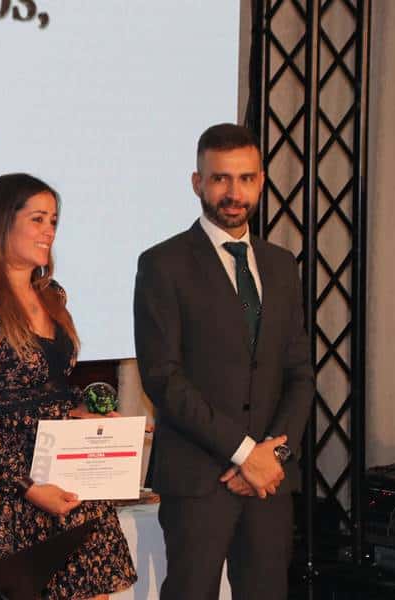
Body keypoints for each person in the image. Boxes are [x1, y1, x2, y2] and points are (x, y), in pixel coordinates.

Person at [0, 173, 137, 600]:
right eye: (38, 219)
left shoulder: (52, 295)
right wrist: (28, 487)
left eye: (54, 221)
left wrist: (85, 410)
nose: (49, 231)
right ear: (0, 223)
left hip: (68, 486)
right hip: (6, 499)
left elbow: (48, 388)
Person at [133, 123, 314, 600]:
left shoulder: (281, 264)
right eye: (220, 179)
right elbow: (163, 378)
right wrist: (243, 453)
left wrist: (271, 456)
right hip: (199, 479)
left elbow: (299, 374)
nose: (234, 193)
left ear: (261, 181)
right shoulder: (162, 264)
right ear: (198, 183)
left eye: (246, 178)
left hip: (269, 484)